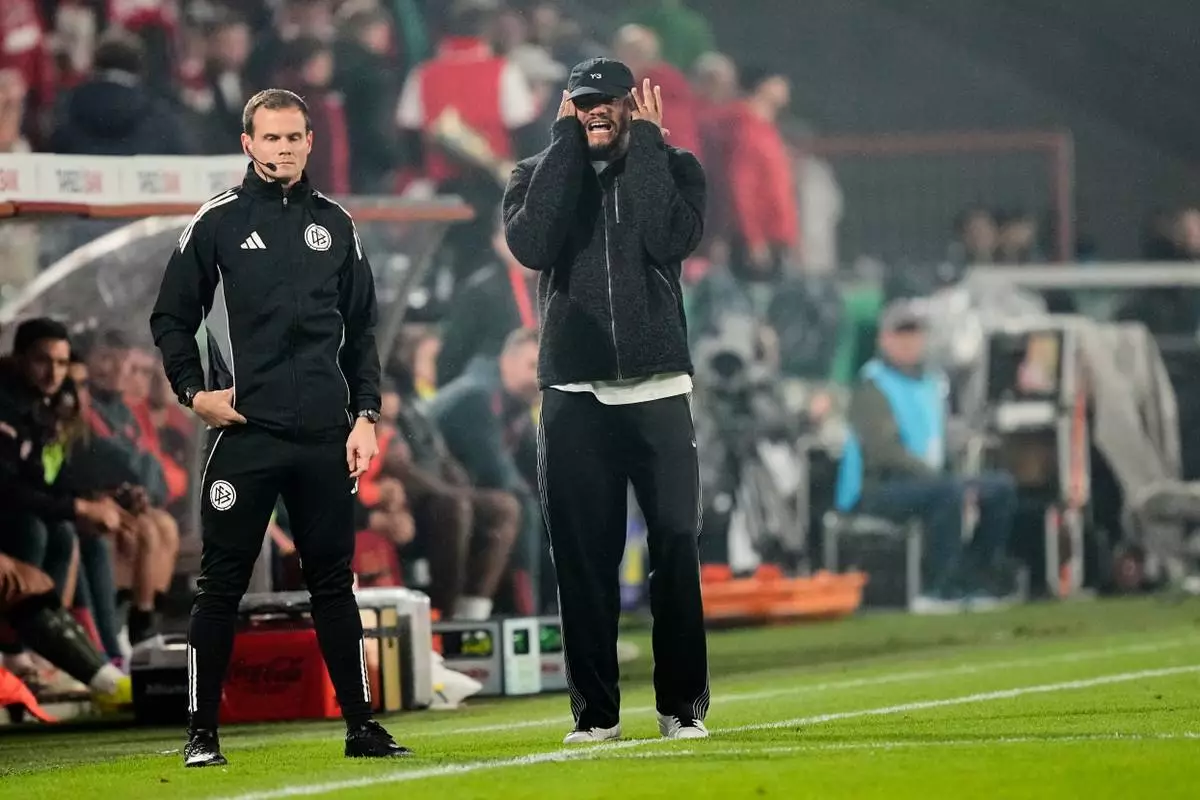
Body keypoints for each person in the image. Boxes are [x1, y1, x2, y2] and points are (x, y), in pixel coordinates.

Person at [149, 88, 409, 767]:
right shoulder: (218, 221)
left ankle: (361, 727)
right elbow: (170, 317)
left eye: (294, 137)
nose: (284, 148)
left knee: (334, 583)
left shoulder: (336, 224)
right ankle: (202, 735)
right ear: (248, 143)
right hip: (246, 433)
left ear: (310, 142)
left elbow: (362, 332)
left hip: (325, 435)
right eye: (271, 137)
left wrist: (366, 415)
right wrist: (193, 394)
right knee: (221, 585)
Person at [502, 58, 710, 744]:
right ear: (568, 108)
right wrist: (564, 150)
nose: (596, 111)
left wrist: (646, 146)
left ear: (631, 105)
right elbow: (532, 244)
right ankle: (595, 715)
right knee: (583, 559)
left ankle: (682, 707)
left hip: (659, 388)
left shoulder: (675, 166)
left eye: (608, 101)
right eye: (583, 102)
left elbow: (669, 237)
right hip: (574, 391)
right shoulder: (535, 174)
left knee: (675, 547)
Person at [834, 301, 1019, 612]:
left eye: (914, 333)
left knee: (1000, 488)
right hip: (876, 489)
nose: (909, 341)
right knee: (948, 494)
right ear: (884, 340)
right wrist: (942, 479)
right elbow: (884, 453)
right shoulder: (872, 385)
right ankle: (937, 588)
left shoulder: (933, 384)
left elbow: (944, 437)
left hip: (928, 483)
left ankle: (974, 577)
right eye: (901, 333)